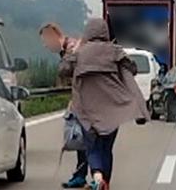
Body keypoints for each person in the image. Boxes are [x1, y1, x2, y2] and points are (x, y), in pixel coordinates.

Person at [59, 18, 149, 190]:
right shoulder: (115, 52)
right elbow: (132, 69)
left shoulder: (80, 54)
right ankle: (104, 181)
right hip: (111, 110)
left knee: (92, 147)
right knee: (106, 148)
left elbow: (63, 70)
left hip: (86, 111)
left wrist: (74, 51)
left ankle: (98, 177)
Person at [38, 23, 87, 189]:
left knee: (83, 138)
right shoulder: (67, 49)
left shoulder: (71, 49)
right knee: (81, 139)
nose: (45, 45)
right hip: (82, 100)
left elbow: (71, 73)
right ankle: (82, 175)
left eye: (45, 41)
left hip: (87, 102)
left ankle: (88, 175)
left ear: (53, 35)